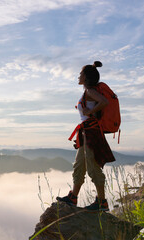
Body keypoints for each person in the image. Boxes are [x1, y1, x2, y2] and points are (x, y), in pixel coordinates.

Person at [56, 61, 115, 211]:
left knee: (93, 168)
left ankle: (102, 202)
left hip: (91, 133)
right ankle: (73, 197)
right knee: (79, 166)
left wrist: (89, 112)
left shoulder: (90, 91)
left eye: (80, 74)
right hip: (86, 133)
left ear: (86, 77)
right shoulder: (88, 92)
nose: (78, 76)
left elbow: (104, 102)